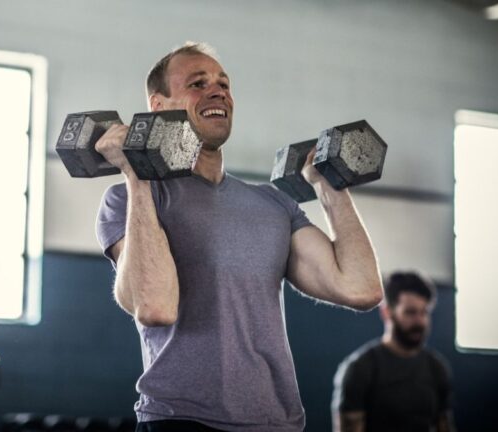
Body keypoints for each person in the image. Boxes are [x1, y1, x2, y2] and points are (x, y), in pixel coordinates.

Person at [95, 42, 383, 431]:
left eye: (223, 84)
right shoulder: (130, 201)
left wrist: (330, 186)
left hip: (277, 423)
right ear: (158, 107)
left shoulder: (274, 205)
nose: (218, 92)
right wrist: (136, 172)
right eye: (198, 83)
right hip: (181, 420)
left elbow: (361, 288)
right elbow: (156, 307)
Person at [332, 272, 455, 432]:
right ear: (387, 312)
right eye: (410, 312)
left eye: (424, 312)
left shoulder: (437, 368)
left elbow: (444, 426)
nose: (420, 321)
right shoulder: (360, 369)